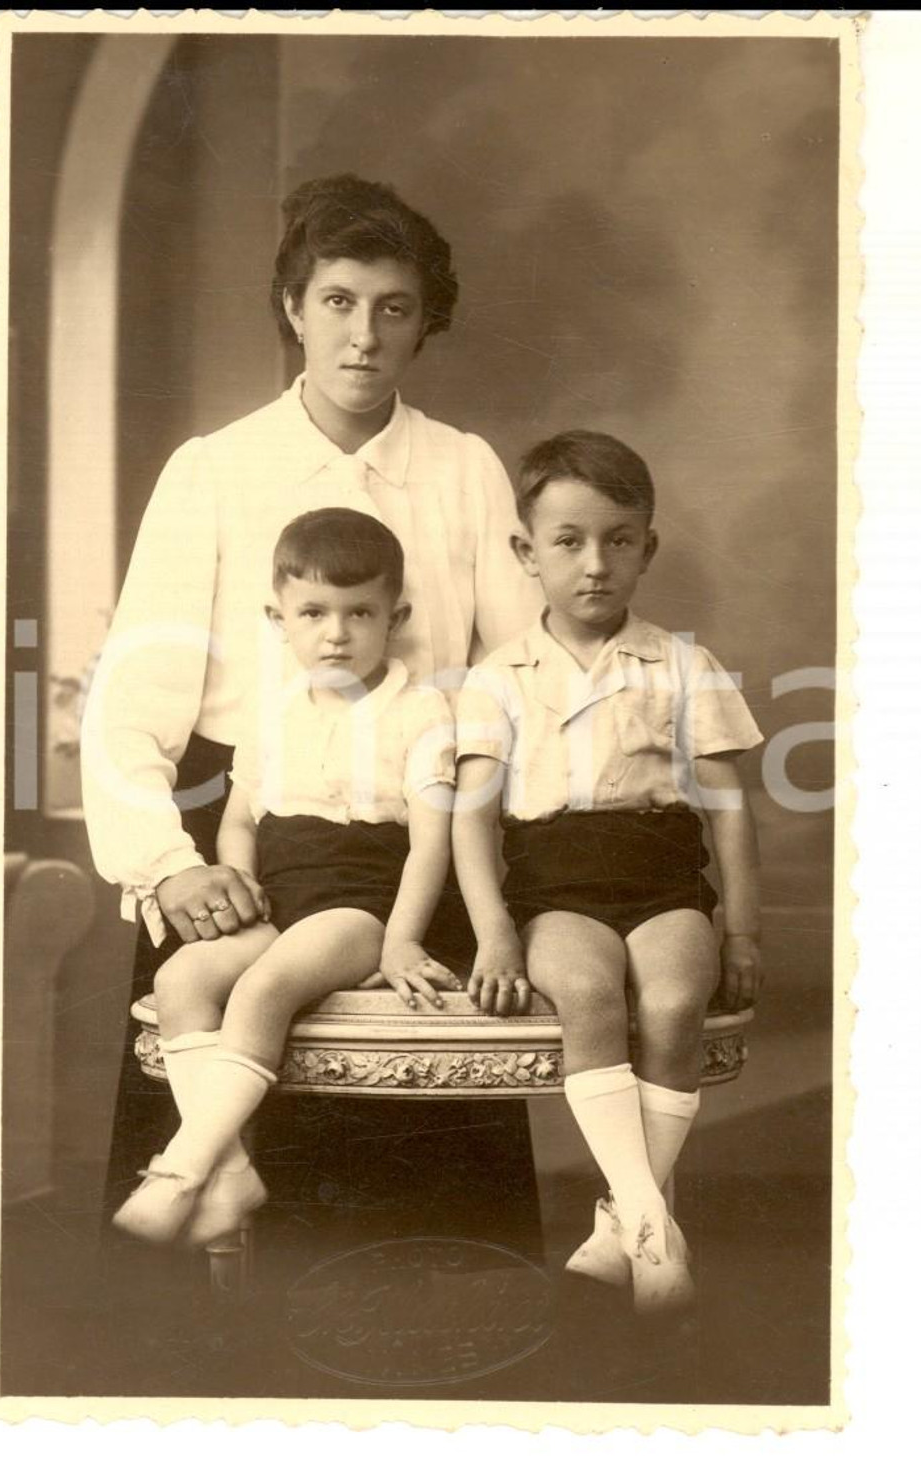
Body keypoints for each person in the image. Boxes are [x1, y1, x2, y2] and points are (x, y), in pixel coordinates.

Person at [80, 174, 542, 1208]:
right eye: (337, 301)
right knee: (214, 1169)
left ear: (424, 324)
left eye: (394, 308)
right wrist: (168, 867)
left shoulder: (463, 468)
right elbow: (130, 701)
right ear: (293, 309)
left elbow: (521, 680)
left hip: (417, 843)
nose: (363, 336)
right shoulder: (213, 468)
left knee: (421, 1198)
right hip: (242, 849)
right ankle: (210, 1189)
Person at [452, 429, 764, 1313]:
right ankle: (651, 1223)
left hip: (663, 879)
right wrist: (494, 932)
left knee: (673, 1001)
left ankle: (622, 1222)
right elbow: (471, 819)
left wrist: (741, 929)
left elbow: (729, 810)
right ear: (526, 552)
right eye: (568, 541)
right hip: (555, 888)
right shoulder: (498, 677)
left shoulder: (683, 664)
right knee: (587, 995)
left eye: (619, 540)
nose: (595, 563)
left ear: (647, 549)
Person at [113, 509, 459, 1245]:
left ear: (395, 618)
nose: (336, 633)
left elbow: (432, 844)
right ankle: (232, 1170)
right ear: (279, 619)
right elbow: (241, 820)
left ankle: (181, 1167)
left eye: (359, 612)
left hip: (359, 909)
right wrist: (239, 885)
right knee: (181, 979)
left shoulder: (421, 710)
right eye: (314, 613)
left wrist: (400, 938)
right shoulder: (271, 715)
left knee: (264, 986)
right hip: (277, 904)